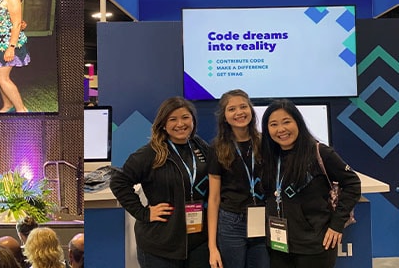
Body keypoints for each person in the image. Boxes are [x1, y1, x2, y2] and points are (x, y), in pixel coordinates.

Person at [110, 96, 213, 267]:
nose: (180, 124)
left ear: (193, 120)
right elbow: (118, 181)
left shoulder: (199, 146)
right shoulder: (150, 154)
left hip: (198, 242)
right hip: (161, 246)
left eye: (185, 117)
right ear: (163, 124)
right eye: (173, 119)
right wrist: (143, 213)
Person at [262, 99, 359, 268]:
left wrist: (336, 225)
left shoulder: (320, 152)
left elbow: (352, 183)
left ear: (298, 122)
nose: (281, 129)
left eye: (286, 122)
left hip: (315, 246)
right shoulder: (270, 156)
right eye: (273, 124)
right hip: (279, 246)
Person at [207, 90, 268, 268]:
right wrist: (212, 247)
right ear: (224, 117)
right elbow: (214, 198)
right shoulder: (218, 148)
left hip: (262, 219)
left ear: (251, 109)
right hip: (231, 222)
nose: (239, 112)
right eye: (232, 109)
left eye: (243, 106)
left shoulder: (265, 143)